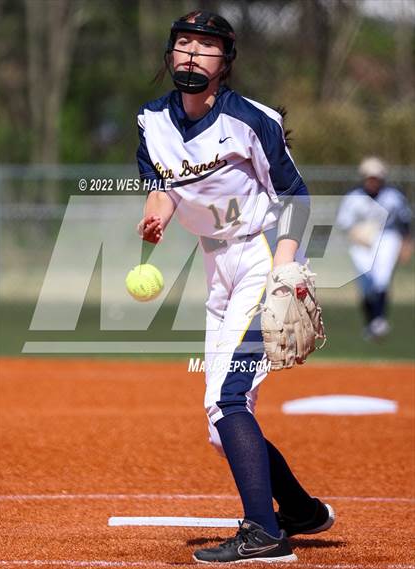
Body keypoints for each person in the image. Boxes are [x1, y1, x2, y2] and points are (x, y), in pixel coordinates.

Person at [136, 10, 335, 564]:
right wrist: (157, 214)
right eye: (183, 44)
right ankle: (299, 511)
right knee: (220, 425)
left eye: (206, 46)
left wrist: (285, 274)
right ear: (170, 54)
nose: (192, 54)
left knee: (227, 400)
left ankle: (265, 533)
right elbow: (161, 182)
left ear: (226, 61)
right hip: (216, 271)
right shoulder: (153, 120)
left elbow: (295, 197)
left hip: (259, 260)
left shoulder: (250, 119)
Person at [337, 157, 412, 341]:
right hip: (361, 240)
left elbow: (405, 221)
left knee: (382, 277)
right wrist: (354, 233)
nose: (373, 182)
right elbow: (343, 223)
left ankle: (379, 321)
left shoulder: (393, 196)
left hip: (387, 237)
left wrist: (408, 242)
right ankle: (372, 322)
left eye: (376, 178)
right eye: (369, 178)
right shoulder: (354, 197)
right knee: (366, 283)